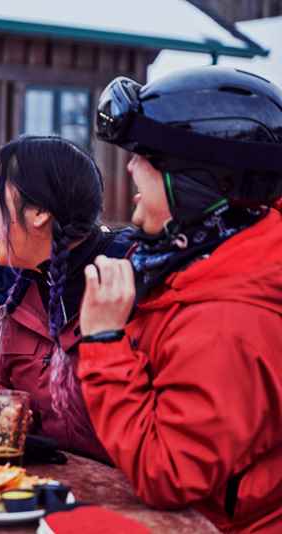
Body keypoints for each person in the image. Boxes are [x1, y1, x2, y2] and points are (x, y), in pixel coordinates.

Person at [78, 67, 282, 532]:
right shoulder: (204, 262)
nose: (129, 167)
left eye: (146, 157)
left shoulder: (230, 317)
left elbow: (169, 473)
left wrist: (105, 341)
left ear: (193, 184)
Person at [0, 135, 133, 462]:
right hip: (35, 483)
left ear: (39, 211)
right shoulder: (5, 286)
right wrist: (11, 422)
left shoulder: (128, 284)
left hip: (127, 495)